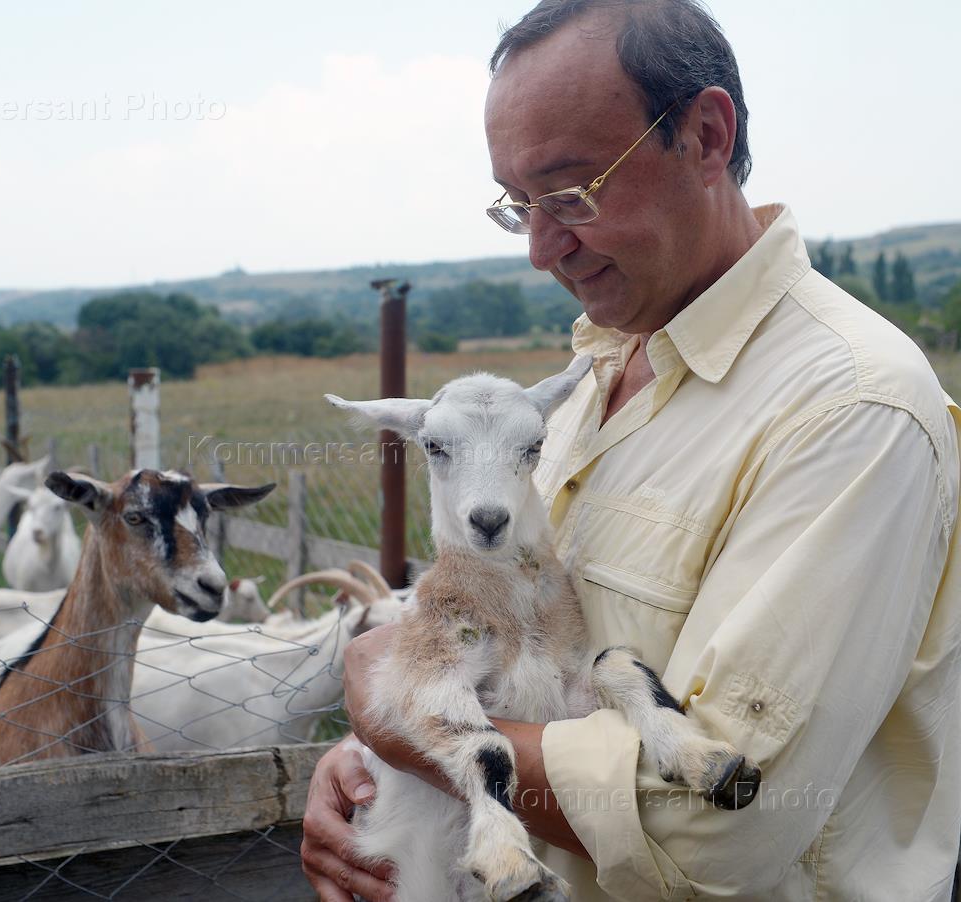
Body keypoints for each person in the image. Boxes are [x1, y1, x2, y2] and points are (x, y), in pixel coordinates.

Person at [300, 1, 961, 899]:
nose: (539, 249)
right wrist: (367, 758)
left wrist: (403, 731)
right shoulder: (580, 385)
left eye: (570, 192)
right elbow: (518, 646)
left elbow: (715, 831)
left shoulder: (851, 408)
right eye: (517, 205)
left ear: (706, 135)